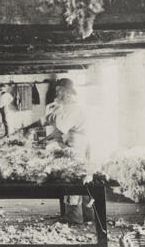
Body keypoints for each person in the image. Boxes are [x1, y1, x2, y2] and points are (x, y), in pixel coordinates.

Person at [22, 78, 93, 224]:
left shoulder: (74, 108)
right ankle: (86, 215)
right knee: (74, 178)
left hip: (77, 144)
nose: (57, 93)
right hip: (67, 144)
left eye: (59, 90)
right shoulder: (59, 106)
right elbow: (45, 120)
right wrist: (27, 128)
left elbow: (59, 131)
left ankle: (75, 217)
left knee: (73, 178)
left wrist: (43, 141)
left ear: (67, 92)